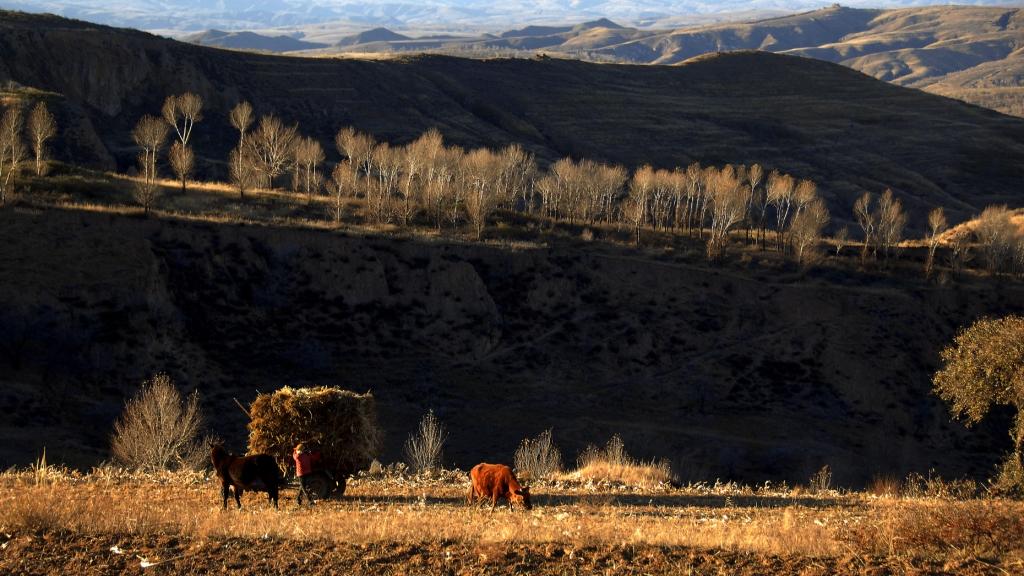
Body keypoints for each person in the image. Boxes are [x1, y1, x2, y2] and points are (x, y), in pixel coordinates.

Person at [293, 441, 322, 506]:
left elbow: (294, 455)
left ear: (302, 451)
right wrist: (318, 453)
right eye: (298, 451)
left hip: (304, 474)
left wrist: (295, 451)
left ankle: (304, 501)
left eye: (300, 450)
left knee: (303, 488)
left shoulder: (301, 456)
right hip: (304, 474)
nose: (299, 451)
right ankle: (304, 501)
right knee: (303, 488)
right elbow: (314, 458)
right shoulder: (302, 456)